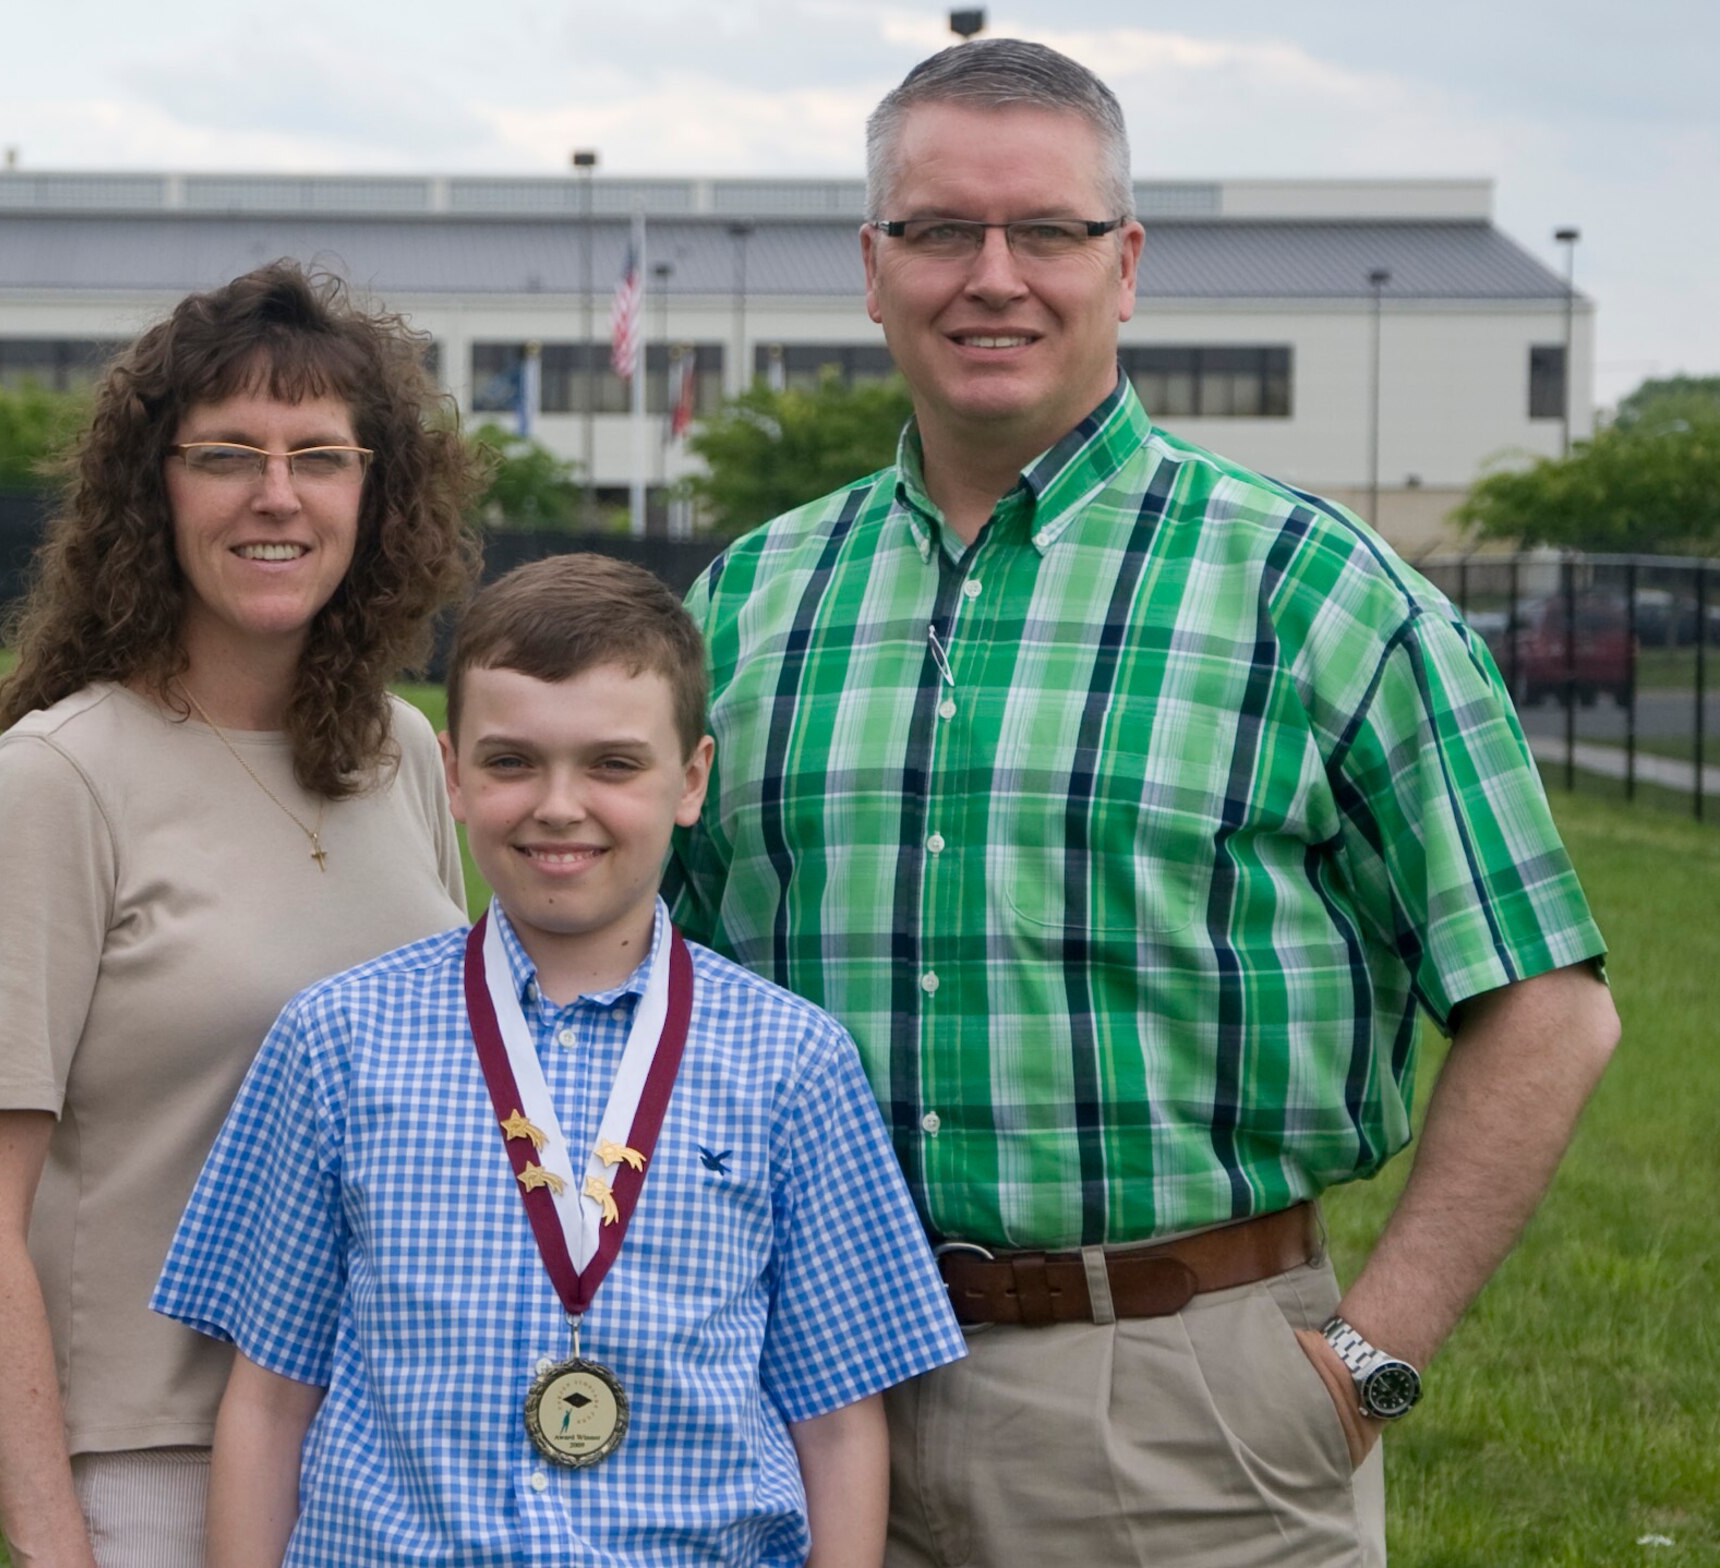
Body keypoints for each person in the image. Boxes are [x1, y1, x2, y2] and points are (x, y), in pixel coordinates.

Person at [670, 38, 1619, 1568]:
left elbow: (1548, 1005)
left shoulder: (1312, 590)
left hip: (1191, 1411)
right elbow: (655, 995)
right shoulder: (749, 603)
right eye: (939, 232)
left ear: (1125, 264)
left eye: (1044, 230)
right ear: (871, 268)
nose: (993, 276)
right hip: (809, 1397)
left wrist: (1370, 1358)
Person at [152, 554, 965, 1568]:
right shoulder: (335, 1041)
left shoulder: (792, 1062)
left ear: (691, 779)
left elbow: (839, 1423)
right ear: (450, 773)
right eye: (511, 762)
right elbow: (269, 1400)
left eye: (613, 765)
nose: (557, 805)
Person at [0, 261, 483, 1568]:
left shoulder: (403, 753)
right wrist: (57, 1543)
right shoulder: (61, 779)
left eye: (319, 456)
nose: (274, 494)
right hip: (151, 1467)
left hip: (389, 1447)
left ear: (375, 494)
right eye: (226, 452)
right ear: (154, 490)